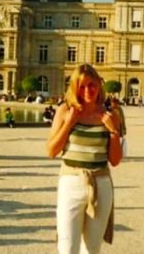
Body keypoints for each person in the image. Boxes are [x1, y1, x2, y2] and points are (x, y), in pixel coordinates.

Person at [46, 64, 122, 254]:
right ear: (74, 87)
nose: (87, 90)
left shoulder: (111, 115)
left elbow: (115, 160)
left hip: (101, 184)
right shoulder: (65, 111)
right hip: (71, 183)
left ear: (99, 84)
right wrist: (69, 123)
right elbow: (51, 151)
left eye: (91, 85)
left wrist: (113, 130)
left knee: (91, 249)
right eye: (81, 86)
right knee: (67, 248)